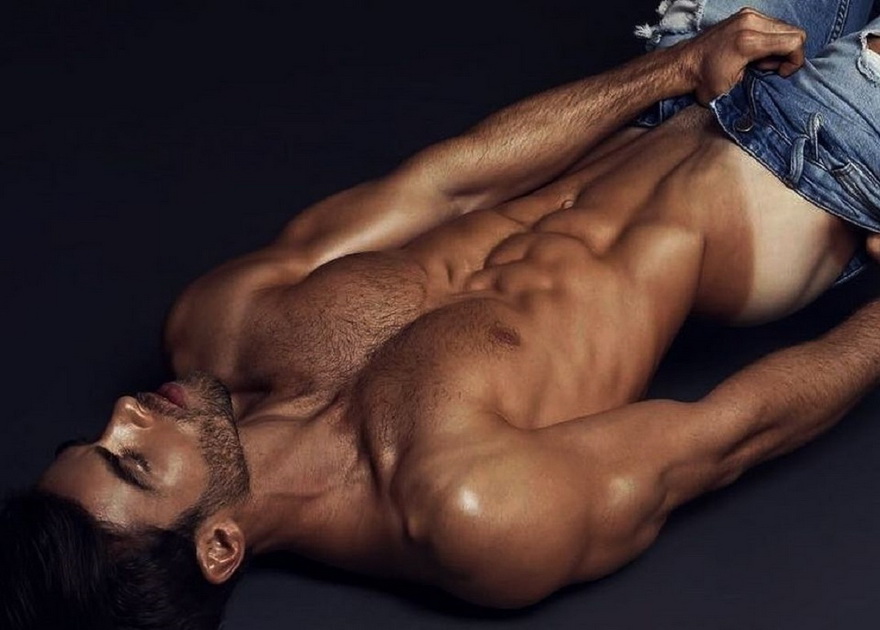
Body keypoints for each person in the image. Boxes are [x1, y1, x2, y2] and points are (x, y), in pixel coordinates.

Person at [3, 0, 880, 628]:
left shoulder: (223, 324)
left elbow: (451, 179)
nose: (125, 413)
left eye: (94, 439)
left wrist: (682, 66)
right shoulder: (471, 513)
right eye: (132, 464)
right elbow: (729, 433)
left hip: (686, 85)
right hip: (809, 166)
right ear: (219, 548)